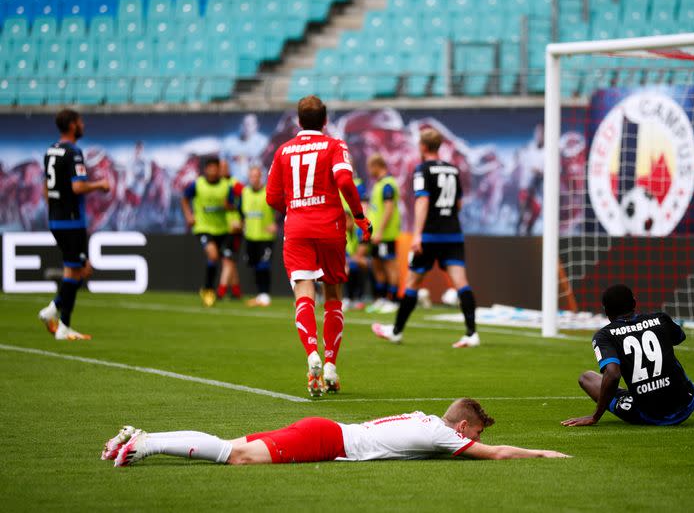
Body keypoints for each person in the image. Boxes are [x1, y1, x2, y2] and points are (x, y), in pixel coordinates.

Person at [104, 397, 570, 467]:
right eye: (474, 430)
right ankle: (147, 444)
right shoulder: (443, 436)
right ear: (463, 426)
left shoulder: (424, 415)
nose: (473, 437)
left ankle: (140, 434)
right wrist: (544, 454)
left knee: (236, 447)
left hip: (324, 430)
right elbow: (497, 454)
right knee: (235, 455)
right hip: (327, 440)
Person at [266, 95, 372, 397]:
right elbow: (344, 181)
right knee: (334, 294)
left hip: (298, 227)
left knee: (304, 293)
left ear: (299, 121)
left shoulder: (284, 151)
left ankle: (311, 351)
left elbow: (272, 198)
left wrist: (297, 204)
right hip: (331, 227)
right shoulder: (334, 145)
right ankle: (330, 365)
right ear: (324, 120)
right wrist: (360, 217)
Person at [372, 128, 480, 348]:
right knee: (461, 282)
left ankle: (396, 331)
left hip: (430, 235)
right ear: (438, 146)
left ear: (422, 146)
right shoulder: (453, 170)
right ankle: (472, 334)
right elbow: (458, 204)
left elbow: (422, 202)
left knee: (412, 281)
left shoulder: (422, 170)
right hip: (453, 234)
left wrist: (418, 234)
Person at [561, 284, 694, 427]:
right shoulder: (661, 318)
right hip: (686, 403)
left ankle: (636, 394)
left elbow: (613, 374)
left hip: (649, 415)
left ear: (606, 311)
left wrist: (595, 416)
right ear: (634, 303)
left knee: (586, 378)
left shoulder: (604, 335)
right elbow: (679, 338)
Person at [38, 109, 110, 341]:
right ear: (72, 125)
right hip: (72, 221)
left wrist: (54, 209)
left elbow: (46, 189)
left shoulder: (50, 151)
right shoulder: (73, 152)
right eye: (80, 122)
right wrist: (100, 184)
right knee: (80, 269)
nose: (83, 125)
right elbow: (77, 187)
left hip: (56, 219)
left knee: (77, 269)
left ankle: (58, 319)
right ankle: (58, 319)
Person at [181, 156, 232, 307]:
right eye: (210, 167)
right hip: (203, 227)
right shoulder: (197, 184)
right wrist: (189, 215)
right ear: (205, 169)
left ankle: (207, 288)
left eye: (215, 167)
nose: (212, 170)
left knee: (219, 260)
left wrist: (228, 206)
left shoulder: (225, 186)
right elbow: (184, 199)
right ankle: (209, 290)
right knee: (213, 254)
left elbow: (231, 205)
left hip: (222, 229)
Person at [366, 153, 401, 313]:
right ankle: (381, 299)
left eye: (370, 168)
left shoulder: (388, 184)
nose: (369, 171)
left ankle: (393, 301)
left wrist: (379, 231)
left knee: (390, 267)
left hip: (385, 235)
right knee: (377, 266)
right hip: (375, 235)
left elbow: (388, 209)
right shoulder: (379, 184)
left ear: (376, 166)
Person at [240, 165, 276, 307]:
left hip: (265, 237)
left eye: (256, 176)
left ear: (261, 177)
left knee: (264, 265)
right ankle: (260, 294)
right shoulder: (245, 192)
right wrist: (240, 222)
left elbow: (283, 207)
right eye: (252, 176)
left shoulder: (269, 191)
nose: (254, 179)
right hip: (250, 236)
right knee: (255, 266)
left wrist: (277, 223)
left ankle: (265, 295)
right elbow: (240, 211)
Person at [217, 159, 243, 300]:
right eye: (220, 167)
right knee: (229, 261)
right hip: (221, 228)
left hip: (233, 229)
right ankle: (236, 291)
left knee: (227, 260)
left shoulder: (234, 184)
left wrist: (242, 221)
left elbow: (246, 200)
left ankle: (220, 292)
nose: (222, 170)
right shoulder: (218, 185)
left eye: (225, 167)